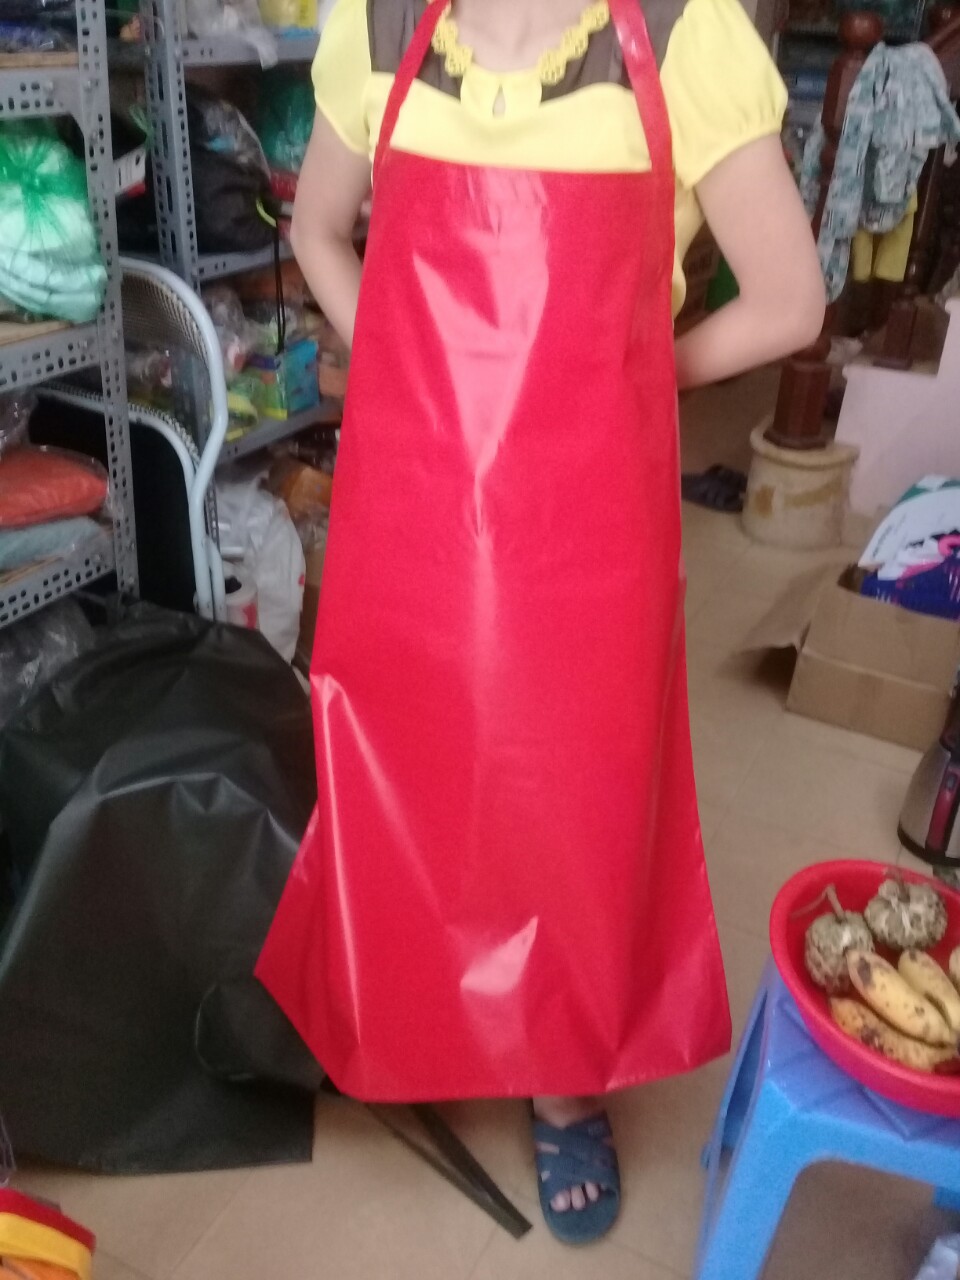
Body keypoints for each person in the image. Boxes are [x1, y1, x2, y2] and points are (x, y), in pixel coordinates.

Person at [257, 0, 825, 1246]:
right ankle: (408, 1006)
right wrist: (408, 360)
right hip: (418, 483)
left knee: (573, 786)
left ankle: (564, 1075)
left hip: (585, 504)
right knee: (409, 747)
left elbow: (791, 301)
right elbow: (316, 229)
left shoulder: (682, 35)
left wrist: (622, 376)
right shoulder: (383, 24)